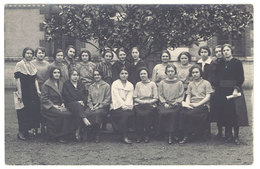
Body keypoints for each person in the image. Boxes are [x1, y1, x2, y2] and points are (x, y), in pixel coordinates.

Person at [215, 44, 248, 145]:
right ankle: (228, 135)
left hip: (234, 91)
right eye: (224, 50)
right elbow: (217, 77)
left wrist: (236, 89)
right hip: (222, 91)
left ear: (231, 51)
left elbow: (241, 78)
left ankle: (236, 136)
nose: (225, 52)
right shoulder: (220, 63)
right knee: (225, 112)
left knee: (235, 113)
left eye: (227, 50)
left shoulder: (237, 63)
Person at [179, 64, 213, 144]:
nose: (195, 74)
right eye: (193, 73)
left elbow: (208, 97)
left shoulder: (206, 83)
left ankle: (189, 135)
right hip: (192, 104)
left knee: (190, 114)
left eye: (197, 72)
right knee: (182, 112)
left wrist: (197, 104)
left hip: (202, 105)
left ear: (200, 73)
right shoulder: (191, 84)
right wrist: (187, 103)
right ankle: (185, 134)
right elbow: (188, 95)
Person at [41, 67, 75, 143]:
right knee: (61, 115)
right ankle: (58, 136)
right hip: (48, 107)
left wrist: (63, 103)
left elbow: (63, 95)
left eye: (58, 73)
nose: (57, 74)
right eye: (55, 73)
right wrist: (53, 106)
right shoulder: (46, 84)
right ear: (51, 74)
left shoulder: (61, 83)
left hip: (60, 105)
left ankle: (68, 135)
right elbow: (44, 99)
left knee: (70, 113)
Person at [14, 47, 41, 140]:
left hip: (32, 91)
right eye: (27, 53)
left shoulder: (32, 65)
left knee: (31, 111)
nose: (29, 55)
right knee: (22, 111)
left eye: (31, 53)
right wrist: (20, 92)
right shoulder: (19, 64)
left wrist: (38, 90)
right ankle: (21, 132)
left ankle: (27, 130)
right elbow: (17, 79)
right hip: (23, 90)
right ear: (24, 54)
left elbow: (35, 79)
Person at [157, 64, 184, 144]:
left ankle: (172, 134)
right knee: (163, 113)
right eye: (168, 71)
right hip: (165, 103)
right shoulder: (162, 83)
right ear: (166, 72)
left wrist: (177, 102)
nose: (170, 73)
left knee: (174, 113)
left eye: (172, 71)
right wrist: (164, 103)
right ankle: (165, 133)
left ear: (175, 72)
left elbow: (181, 94)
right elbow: (160, 94)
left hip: (176, 104)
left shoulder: (179, 83)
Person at [62, 68, 91, 142]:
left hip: (81, 104)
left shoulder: (81, 84)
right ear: (70, 76)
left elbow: (85, 95)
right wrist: (77, 101)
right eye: (74, 75)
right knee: (77, 106)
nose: (76, 77)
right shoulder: (66, 84)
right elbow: (66, 96)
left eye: (77, 75)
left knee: (79, 107)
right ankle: (83, 120)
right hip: (70, 104)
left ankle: (77, 131)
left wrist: (82, 101)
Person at [133, 67, 158, 143]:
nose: (143, 75)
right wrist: (141, 102)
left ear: (148, 74)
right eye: (141, 74)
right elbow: (135, 97)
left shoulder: (152, 84)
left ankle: (147, 134)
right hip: (140, 104)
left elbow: (156, 98)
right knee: (139, 114)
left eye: (144, 73)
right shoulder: (138, 84)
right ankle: (139, 134)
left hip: (150, 104)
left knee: (147, 114)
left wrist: (148, 102)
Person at [110, 67, 134, 144]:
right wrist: (122, 105)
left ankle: (123, 135)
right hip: (117, 106)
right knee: (123, 115)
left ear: (128, 75)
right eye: (122, 73)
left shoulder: (130, 85)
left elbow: (130, 97)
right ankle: (124, 136)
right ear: (119, 75)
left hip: (127, 106)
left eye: (126, 73)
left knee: (127, 114)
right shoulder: (115, 84)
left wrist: (126, 105)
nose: (124, 75)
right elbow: (116, 96)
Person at [86, 69, 111, 143]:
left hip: (103, 106)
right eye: (95, 75)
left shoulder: (106, 86)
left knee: (97, 113)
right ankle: (90, 133)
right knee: (87, 113)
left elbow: (107, 99)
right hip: (92, 106)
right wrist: (91, 106)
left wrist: (99, 106)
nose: (96, 76)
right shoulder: (91, 86)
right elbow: (89, 98)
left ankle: (97, 134)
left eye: (98, 75)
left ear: (101, 76)